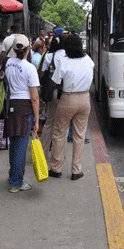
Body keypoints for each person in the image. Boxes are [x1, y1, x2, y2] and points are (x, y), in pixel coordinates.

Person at [48, 34, 94, 181]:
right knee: (79, 136)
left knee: (60, 133)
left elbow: (55, 81)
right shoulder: (88, 60)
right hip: (85, 99)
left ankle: (56, 168)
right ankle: (76, 170)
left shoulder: (64, 61)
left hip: (68, 99)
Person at [4, 34, 40, 192]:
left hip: (10, 106)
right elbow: (34, 98)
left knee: (14, 144)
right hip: (24, 108)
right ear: (28, 49)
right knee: (20, 146)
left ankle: (13, 175)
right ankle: (16, 183)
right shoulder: (29, 68)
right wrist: (37, 120)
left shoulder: (8, 63)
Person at [39, 34, 66, 157]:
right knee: (62, 124)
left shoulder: (49, 56)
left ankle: (43, 152)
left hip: (52, 92)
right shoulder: (68, 56)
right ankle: (59, 153)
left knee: (49, 122)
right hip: (65, 92)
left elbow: (41, 74)